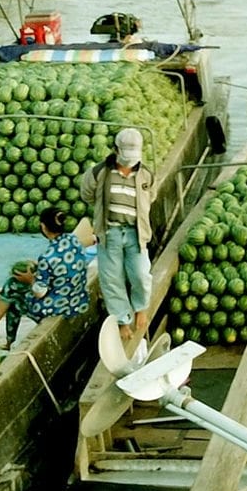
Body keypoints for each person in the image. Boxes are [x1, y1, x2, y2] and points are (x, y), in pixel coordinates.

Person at [0, 207, 93, 347]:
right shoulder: (73, 240)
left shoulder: (47, 257)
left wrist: (30, 279)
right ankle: (0, 338)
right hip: (77, 300)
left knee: (12, 290)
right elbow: (67, 261)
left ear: (43, 227)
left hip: (57, 307)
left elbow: (40, 292)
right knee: (13, 293)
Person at [80, 128, 155, 344]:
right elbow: (87, 194)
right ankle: (123, 320)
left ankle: (141, 307)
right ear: (115, 150)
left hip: (135, 233)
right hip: (110, 231)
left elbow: (151, 195)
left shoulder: (145, 174)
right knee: (112, 278)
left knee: (141, 273)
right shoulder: (99, 172)